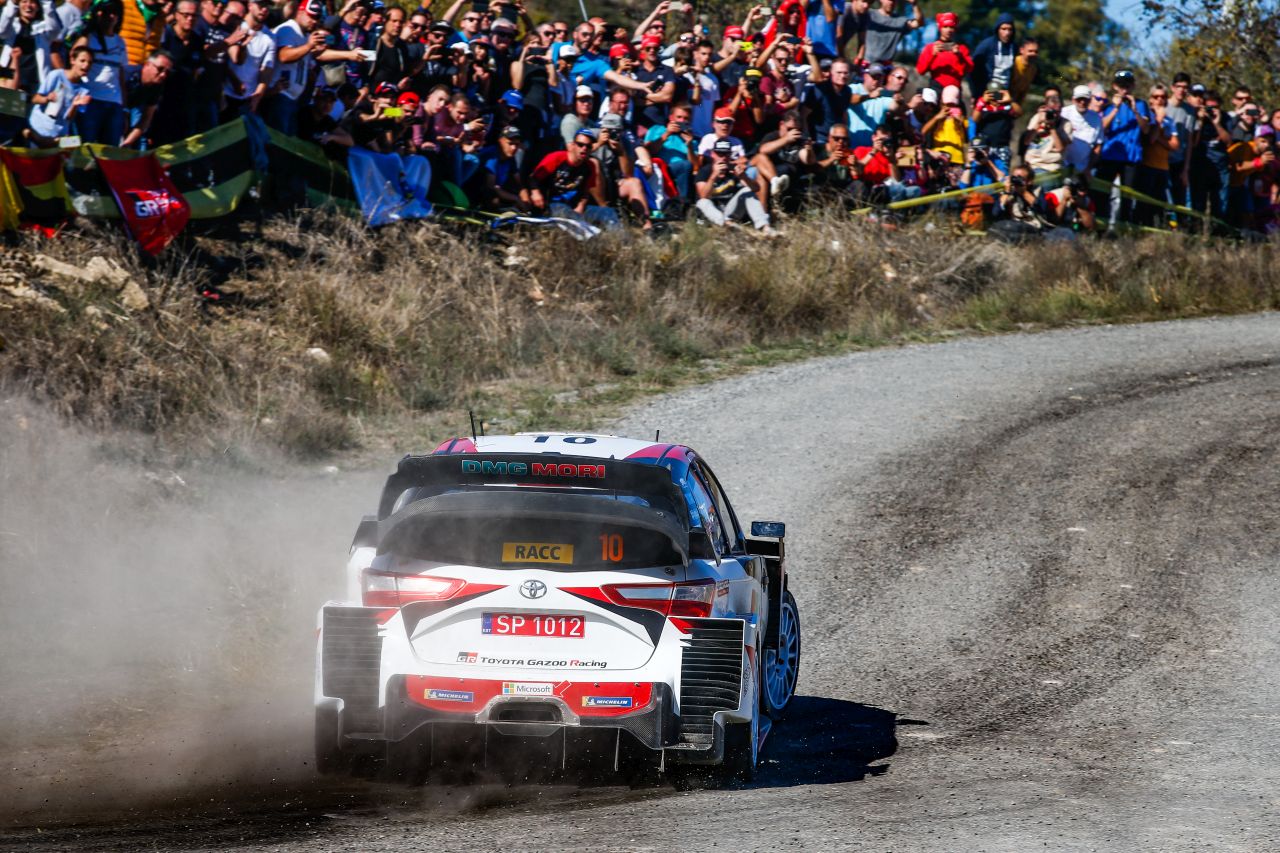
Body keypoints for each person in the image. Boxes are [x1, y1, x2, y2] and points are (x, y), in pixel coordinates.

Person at [1092, 68, 1150, 225]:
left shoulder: (1141, 105)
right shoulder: (1108, 106)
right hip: (1110, 155)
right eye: (1121, 85)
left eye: (1128, 85)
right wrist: (1116, 108)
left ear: (1133, 86)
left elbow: (1146, 129)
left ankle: (1123, 227)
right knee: (1102, 193)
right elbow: (1102, 127)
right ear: (1115, 86)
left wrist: (1135, 111)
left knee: (1127, 196)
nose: (1124, 89)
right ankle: (1100, 226)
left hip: (1131, 158)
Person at [530, 127, 619, 228]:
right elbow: (534, 178)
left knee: (608, 212)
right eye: (580, 145)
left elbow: (586, 192)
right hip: (552, 205)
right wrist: (535, 192)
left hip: (574, 208)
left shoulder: (590, 166)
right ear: (573, 145)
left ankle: (620, 237)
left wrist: (581, 205)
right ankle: (591, 234)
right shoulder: (556, 158)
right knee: (564, 210)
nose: (584, 148)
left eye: (588, 146)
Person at [71, 0, 127, 144]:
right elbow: (74, 57)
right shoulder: (89, 38)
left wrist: (124, 106)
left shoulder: (120, 42)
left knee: (110, 148)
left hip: (114, 102)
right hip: (91, 99)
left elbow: (120, 74)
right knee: (86, 145)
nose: (111, 16)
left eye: (115, 13)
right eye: (107, 12)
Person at [695, 136, 773, 232]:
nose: (723, 158)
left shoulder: (733, 169)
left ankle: (765, 227)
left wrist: (744, 176)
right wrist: (713, 176)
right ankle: (726, 224)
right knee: (702, 202)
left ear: (730, 155)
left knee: (747, 191)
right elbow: (703, 196)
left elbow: (756, 188)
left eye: (726, 154)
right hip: (712, 213)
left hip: (729, 211)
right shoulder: (705, 171)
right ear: (713, 154)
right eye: (720, 154)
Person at [26, 42, 90, 145]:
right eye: (82, 61)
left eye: (90, 62)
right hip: (39, 127)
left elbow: (69, 118)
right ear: (72, 60)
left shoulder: (84, 89)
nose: (86, 65)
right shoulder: (56, 75)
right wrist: (47, 99)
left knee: (75, 143)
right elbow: (35, 99)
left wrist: (75, 105)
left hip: (58, 134)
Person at [1135, 82, 1179, 226]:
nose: (1160, 100)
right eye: (1156, 97)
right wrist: (1159, 122)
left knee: (1160, 204)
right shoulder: (1148, 117)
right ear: (1150, 99)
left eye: (1163, 97)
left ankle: (1158, 229)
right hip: (1147, 166)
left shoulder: (1169, 120)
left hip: (1163, 167)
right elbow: (1151, 139)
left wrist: (1160, 137)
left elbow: (1175, 145)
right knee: (1144, 203)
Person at [223, 0, 275, 120]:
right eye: (261, 4)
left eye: (267, 6)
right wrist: (235, 81)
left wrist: (258, 95)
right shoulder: (236, 26)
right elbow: (231, 58)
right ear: (250, 5)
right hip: (225, 93)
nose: (264, 9)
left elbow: (267, 70)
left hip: (247, 99)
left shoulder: (270, 38)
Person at [0, 0, 62, 97]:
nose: (28, 6)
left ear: (38, 6)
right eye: (24, 1)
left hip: (34, 81)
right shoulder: (12, 26)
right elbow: (2, 30)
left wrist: (46, 3)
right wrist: (12, 4)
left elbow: (54, 29)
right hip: (8, 77)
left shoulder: (42, 28)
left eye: (32, 2)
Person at [1189, 89, 1231, 224]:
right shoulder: (1195, 117)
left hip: (1220, 166)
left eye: (1215, 107)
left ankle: (1218, 231)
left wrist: (1217, 123)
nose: (1212, 110)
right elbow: (1193, 143)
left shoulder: (1225, 118)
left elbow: (1228, 141)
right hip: (1200, 165)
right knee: (1198, 203)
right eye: (1209, 107)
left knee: (1220, 203)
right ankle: (1196, 230)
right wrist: (1200, 121)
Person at [644, 100, 697, 197]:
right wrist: (667, 134)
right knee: (684, 165)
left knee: (685, 165)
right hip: (660, 168)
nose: (682, 121)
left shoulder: (691, 139)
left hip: (681, 170)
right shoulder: (656, 129)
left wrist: (689, 145)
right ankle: (682, 201)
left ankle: (682, 201)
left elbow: (695, 166)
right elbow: (648, 151)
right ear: (671, 117)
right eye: (679, 117)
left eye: (686, 118)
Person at [121, 46, 171, 147]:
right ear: (147, 64)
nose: (163, 75)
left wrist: (127, 143)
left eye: (167, 72)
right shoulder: (127, 74)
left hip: (131, 108)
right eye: (160, 69)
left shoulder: (158, 86)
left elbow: (146, 119)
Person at [850, 0, 921, 66]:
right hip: (865, 63)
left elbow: (919, 23)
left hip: (885, 66)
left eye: (894, 0)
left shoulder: (900, 21)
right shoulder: (868, 14)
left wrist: (914, 4)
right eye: (889, 0)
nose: (891, 3)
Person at [915, 11, 970, 94]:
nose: (949, 30)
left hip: (954, 90)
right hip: (935, 88)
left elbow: (969, 69)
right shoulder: (930, 48)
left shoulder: (961, 49)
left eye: (951, 27)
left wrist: (959, 56)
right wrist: (932, 55)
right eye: (945, 27)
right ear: (940, 28)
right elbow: (920, 70)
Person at [1165, 72, 1198, 210]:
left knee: (1180, 201)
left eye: (1185, 87)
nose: (1181, 90)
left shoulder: (1189, 111)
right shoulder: (1164, 105)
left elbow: (1189, 141)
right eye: (1179, 86)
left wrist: (1186, 168)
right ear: (1173, 87)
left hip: (1178, 161)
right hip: (1161, 159)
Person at [1020, 87, 1068, 181]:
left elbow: (1060, 148)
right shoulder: (1038, 118)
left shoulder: (1066, 124)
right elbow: (1026, 141)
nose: (1054, 115)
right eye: (1052, 111)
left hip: (1049, 168)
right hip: (1031, 165)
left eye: (1057, 111)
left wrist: (1052, 128)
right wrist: (1038, 122)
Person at [800, 55, 850, 143]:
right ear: (831, 72)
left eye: (845, 73)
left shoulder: (847, 91)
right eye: (839, 72)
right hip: (818, 138)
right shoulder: (819, 89)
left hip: (837, 139)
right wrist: (806, 134)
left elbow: (843, 113)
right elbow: (804, 113)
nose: (842, 76)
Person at [969, 12, 1014, 98]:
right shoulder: (986, 45)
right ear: (997, 29)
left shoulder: (1014, 47)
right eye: (1003, 29)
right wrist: (975, 94)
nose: (1007, 33)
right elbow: (972, 68)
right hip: (988, 92)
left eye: (1010, 29)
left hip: (1006, 94)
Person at [1059, 83, 1101, 177]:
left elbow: (1098, 145)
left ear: (1090, 100)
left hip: (1082, 169)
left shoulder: (1096, 118)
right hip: (1061, 165)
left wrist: (1088, 168)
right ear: (1073, 100)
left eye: (1085, 99)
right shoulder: (1063, 113)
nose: (1082, 102)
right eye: (1079, 99)